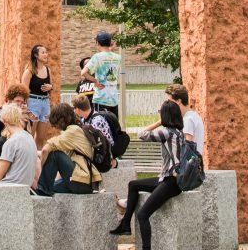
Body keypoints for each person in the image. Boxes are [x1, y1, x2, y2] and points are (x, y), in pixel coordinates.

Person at [108, 101, 189, 249]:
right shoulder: (179, 133)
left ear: (165, 115)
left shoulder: (167, 132)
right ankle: (125, 224)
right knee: (133, 185)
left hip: (171, 183)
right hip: (168, 180)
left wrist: (159, 122)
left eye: (161, 112)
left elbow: (142, 134)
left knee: (142, 215)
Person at [34, 103, 100, 195]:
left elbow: (46, 150)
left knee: (55, 154)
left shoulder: (72, 131)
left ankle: (42, 189)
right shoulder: (78, 129)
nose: (55, 128)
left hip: (82, 181)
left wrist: (41, 169)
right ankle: (42, 189)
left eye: (55, 125)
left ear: (61, 121)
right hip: (84, 183)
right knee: (51, 187)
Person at [0, 85, 31, 168]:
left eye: (22, 102)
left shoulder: (18, 116)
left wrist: (24, 115)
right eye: (17, 101)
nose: (20, 104)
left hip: (6, 157)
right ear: (8, 100)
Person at [85, 31, 123, 120]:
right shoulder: (118, 57)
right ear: (110, 43)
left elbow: (83, 73)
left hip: (101, 98)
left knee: (100, 128)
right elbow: (108, 56)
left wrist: (95, 81)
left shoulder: (97, 57)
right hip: (113, 99)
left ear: (97, 43)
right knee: (113, 128)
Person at [166, 84, 206, 149]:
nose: (168, 104)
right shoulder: (194, 115)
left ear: (178, 101)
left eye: (170, 101)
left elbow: (187, 150)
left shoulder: (188, 119)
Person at [22, 44, 54, 124]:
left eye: (46, 52)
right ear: (36, 55)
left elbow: (52, 86)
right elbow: (23, 91)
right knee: (30, 135)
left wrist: (50, 87)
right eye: (43, 52)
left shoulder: (47, 70)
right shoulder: (29, 71)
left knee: (42, 136)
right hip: (32, 103)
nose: (46, 55)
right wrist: (25, 108)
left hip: (45, 102)